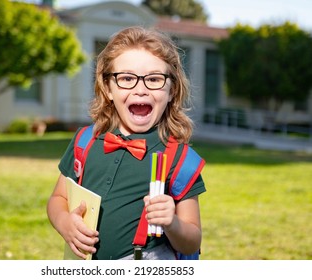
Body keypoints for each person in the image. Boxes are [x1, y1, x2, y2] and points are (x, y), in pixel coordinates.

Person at [47, 26, 206, 260]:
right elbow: (57, 199)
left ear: (172, 89)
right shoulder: (85, 141)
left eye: (154, 79)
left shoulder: (180, 160)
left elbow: (192, 241)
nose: (140, 89)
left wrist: (172, 223)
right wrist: (64, 223)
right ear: (108, 88)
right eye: (127, 78)